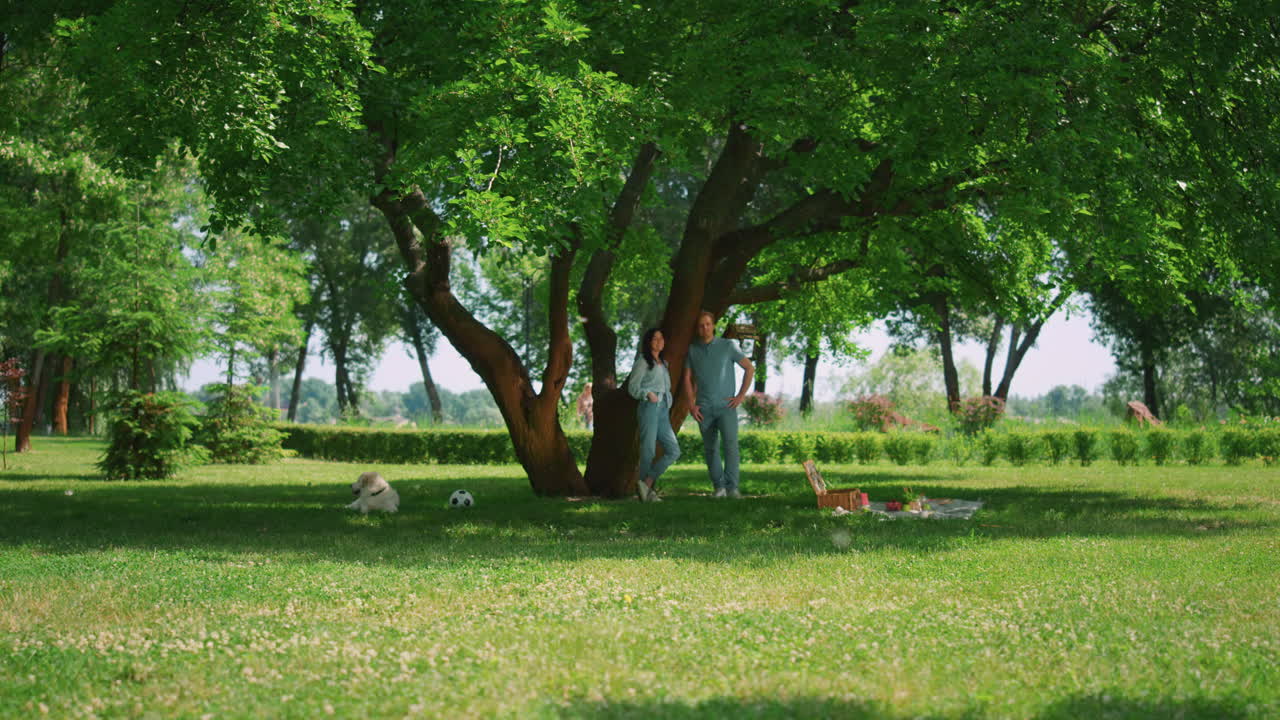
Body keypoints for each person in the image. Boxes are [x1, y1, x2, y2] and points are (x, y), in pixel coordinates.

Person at [682, 311, 754, 498]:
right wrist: (691, 404)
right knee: (710, 448)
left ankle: (732, 488)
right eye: (701, 325)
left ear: (713, 325)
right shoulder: (692, 350)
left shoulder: (728, 346)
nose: (704, 328)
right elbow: (687, 378)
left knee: (731, 446)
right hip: (703, 408)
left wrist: (740, 396)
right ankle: (719, 487)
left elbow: (749, 368)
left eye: (707, 324)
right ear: (697, 328)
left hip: (726, 407)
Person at [625, 328, 680, 502]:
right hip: (649, 406)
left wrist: (667, 403)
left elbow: (667, 387)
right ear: (649, 342)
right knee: (648, 450)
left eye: (661, 338)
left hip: (663, 409)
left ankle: (646, 484)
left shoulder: (664, 364)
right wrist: (647, 394)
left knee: (673, 450)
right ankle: (646, 494)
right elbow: (632, 387)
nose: (659, 341)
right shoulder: (643, 361)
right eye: (655, 338)